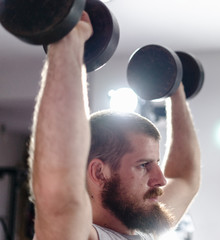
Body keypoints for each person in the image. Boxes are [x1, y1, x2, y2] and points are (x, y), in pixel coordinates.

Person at [27, 12, 201, 240]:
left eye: (156, 163)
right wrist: (67, 42)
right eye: (144, 165)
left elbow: (185, 177)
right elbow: (60, 202)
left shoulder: (144, 227)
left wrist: (174, 89)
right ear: (99, 172)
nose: (160, 179)